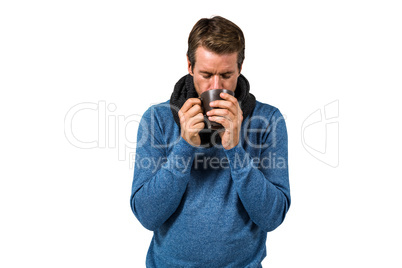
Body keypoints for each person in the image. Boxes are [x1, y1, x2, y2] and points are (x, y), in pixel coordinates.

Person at [130, 16, 291, 267]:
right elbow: (148, 216)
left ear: (240, 67)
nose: (216, 87)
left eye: (227, 75)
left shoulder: (268, 119)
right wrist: (184, 145)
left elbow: (272, 217)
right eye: (206, 74)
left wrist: (235, 149)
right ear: (190, 65)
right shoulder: (157, 119)